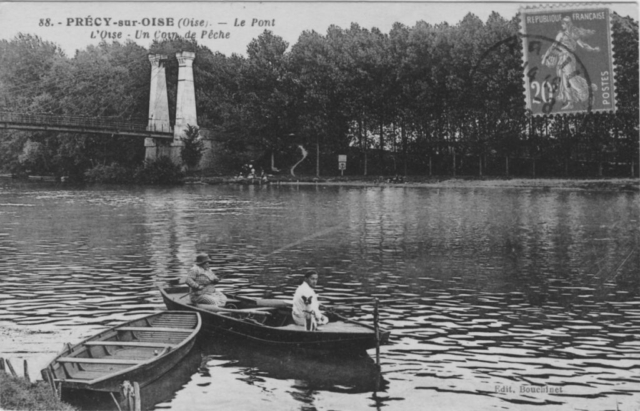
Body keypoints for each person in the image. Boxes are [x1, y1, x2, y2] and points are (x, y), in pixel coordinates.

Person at [541, 16, 600, 110]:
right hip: (561, 59)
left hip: (569, 59)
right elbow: (553, 46)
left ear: (568, 24)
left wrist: (592, 49)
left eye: (564, 24)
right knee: (565, 83)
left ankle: (588, 93)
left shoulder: (573, 34)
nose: (562, 25)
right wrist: (545, 57)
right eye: (562, 24)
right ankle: (570, 102)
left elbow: (583, 44)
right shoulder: (561, 34)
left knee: (572, 80)